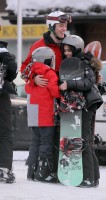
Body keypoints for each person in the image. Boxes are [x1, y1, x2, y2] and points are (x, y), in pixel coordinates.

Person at [21, 10, 72, 176]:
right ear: (51, 26)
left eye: (65, 25)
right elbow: (24, 69)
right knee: (42, 138)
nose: (64, 28)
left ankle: (52, 170)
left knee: (56, 137)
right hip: (47, 99)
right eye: (60, 25)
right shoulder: (39, 45)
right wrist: (33, 78)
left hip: (62, 97)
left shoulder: (68, 44)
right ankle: (35, 171)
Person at [59, 35, 103, 188]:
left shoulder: (83, 62)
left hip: (88, 105)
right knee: (88, 141)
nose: (67, 53)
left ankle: (88, 179)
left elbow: (88, 82)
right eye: (65, 50)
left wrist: (68, 84)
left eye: (69, 50)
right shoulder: (76, 63)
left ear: (76, 49)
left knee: (84, 140)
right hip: (86, 105)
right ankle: (94, 177)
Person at [25, 46, 60, 183]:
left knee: (35, 142)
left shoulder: (31, 73)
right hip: (45, 113)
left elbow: (27, 88)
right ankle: (43, 172)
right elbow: (54, 92)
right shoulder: (49, 73)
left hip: (33, 113)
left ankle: (31, 171)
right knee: (46, 143)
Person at [0, 24, 17, 183]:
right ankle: (4, 169)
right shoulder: (2, 51)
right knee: (4, 133)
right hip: (1, 95)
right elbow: (12, 68)